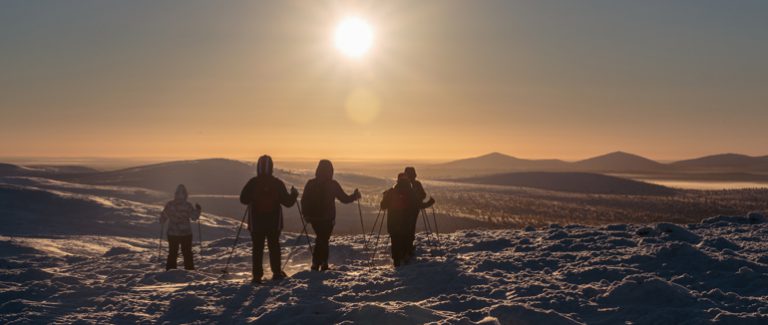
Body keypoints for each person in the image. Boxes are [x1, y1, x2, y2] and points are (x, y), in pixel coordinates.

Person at [239, 155, 299, 283]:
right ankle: (276, 273)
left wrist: (253, 197)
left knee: (257, 248)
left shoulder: (253, 182)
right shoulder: (277, 183)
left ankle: (257, 276)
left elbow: (243, 199)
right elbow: (288, 203)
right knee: (274, 247)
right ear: (271, 167)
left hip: (256, 222)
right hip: (274, 222)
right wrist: (294, 195)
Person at [301, 159, 361, 271]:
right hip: (328, 218)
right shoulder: (333, 184)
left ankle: (318, 263)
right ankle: (321, 263)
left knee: (321, 238)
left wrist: (306, 215)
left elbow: (304, 200)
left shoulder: (311, 183)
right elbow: (344, 199)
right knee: (323, 239)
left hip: (313, 218)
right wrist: (355, 196)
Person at [380, 173, 434, 267]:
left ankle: (396, 261)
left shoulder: (391, 191)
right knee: (405, 240)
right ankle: (405, 259)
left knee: (395, 241)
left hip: (393, 223)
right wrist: (430, 202)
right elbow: (420, 205)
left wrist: (385, 197)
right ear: (408, 181)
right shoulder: (412, 193)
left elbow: (383, 206)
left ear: (398, 180)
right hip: (407, 224)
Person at [160, 184, 201, 271]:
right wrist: (198, 210)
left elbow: (163, 218)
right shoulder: (188, 205)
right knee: (187, 253)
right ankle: (189, 271)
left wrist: (162, 218)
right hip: (186, 233)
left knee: (173, 253)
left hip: (172, 233)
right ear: (186, 194)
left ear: (175, 194)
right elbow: (194, 217)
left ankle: (170, 271)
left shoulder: (170, 204)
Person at [403, 166, 431, 261]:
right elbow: (423, 195)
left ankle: (405, 247)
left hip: (404, 211)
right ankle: (409, 247)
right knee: (411, 227)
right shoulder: (417, 184)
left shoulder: (403, 184)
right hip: (414, 210)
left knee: (405, 228)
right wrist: (418, 198)